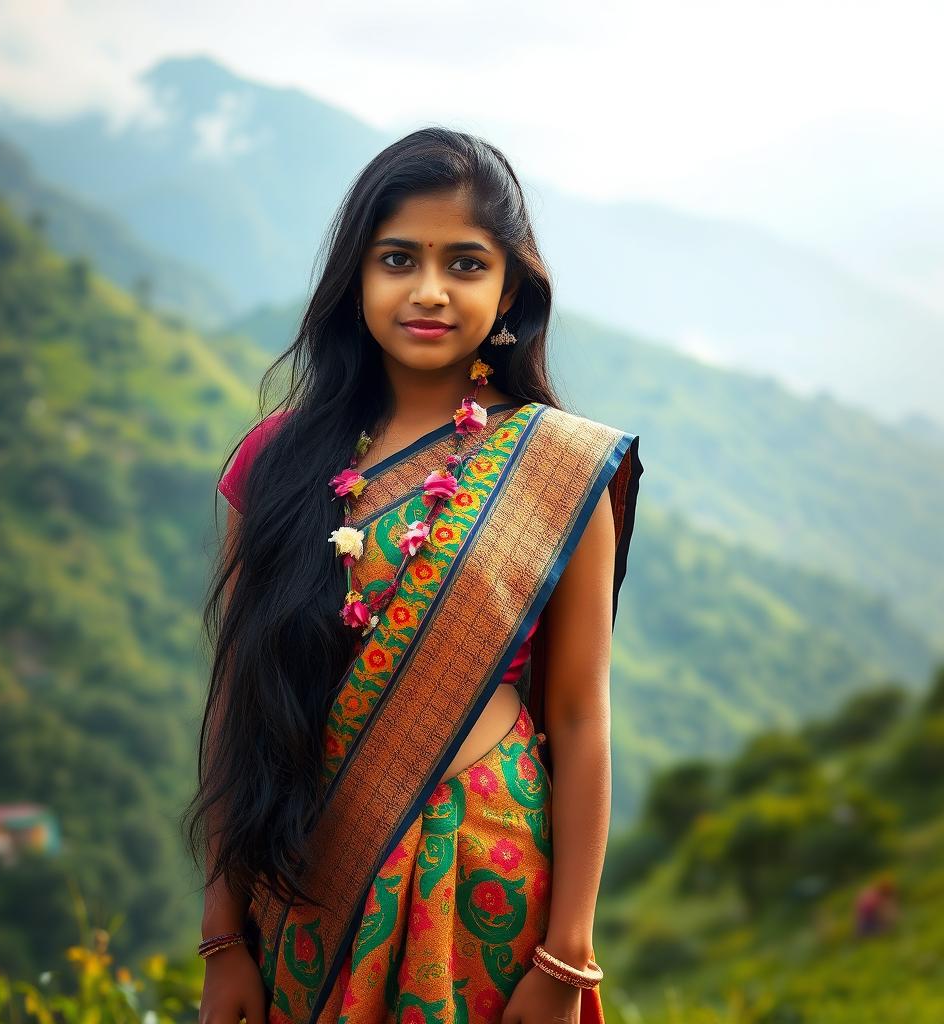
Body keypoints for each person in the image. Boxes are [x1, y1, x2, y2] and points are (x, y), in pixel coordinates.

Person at [183, 126, 644, 1024]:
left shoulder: (559, 469)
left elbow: (583, 715)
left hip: (489, 882)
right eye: (399, 258)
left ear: (509, 288)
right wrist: (223, 935)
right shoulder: (276, 465)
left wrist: (568, 957)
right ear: (356, 277)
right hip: (309, 882)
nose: (429, 291)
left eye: (465, 264)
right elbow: (240, 701)